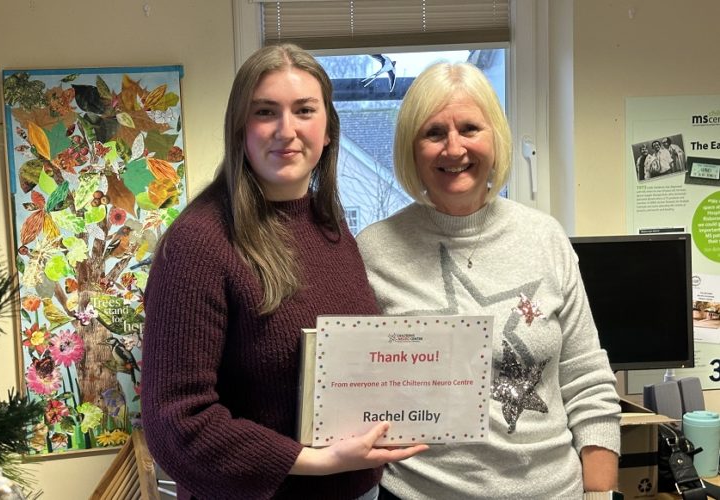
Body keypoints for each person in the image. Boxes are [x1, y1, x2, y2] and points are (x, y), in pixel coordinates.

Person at [140, 43, 427, 500]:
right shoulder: (199, 243)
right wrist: (316, 462)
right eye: (266, 111)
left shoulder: (329, 227)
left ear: (328, 129)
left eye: (304, 110)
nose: (286, 130)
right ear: (240, 128)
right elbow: (176, 423)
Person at [356, 62, 621, 499]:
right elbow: (355, 390)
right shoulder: (373, 250)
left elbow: (586, 378)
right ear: (411, 148)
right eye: (434, 133)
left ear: (495, 137)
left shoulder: (545, 237)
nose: (453, 148)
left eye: (470, 128)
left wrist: (600, 493)